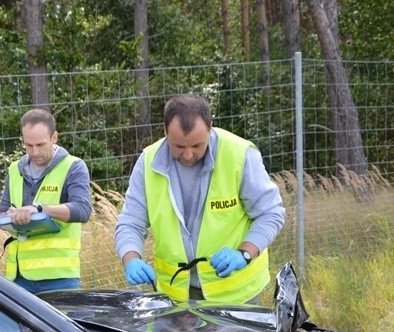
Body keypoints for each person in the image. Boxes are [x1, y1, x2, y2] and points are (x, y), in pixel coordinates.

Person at [114, 93, 285, 304]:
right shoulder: (148, 162)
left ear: (210, 128)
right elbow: (131, 222)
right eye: (178, 146)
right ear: (165, 131)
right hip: (175, 296)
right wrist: (131, 258)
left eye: (196, 146)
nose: (187, 155)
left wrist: (244, 254)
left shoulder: (239, 154)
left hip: (236, 296)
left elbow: (271, 213)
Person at [0, 109, 92, 294]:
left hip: (59, 278)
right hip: (18, 277)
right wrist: (11, 217)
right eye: (28, 145)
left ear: (54, 137)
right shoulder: (14, 169)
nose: (35, 152)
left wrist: (39, 210)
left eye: (40, 144)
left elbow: (82, 210)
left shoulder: (73, 166)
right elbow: (1, 213)